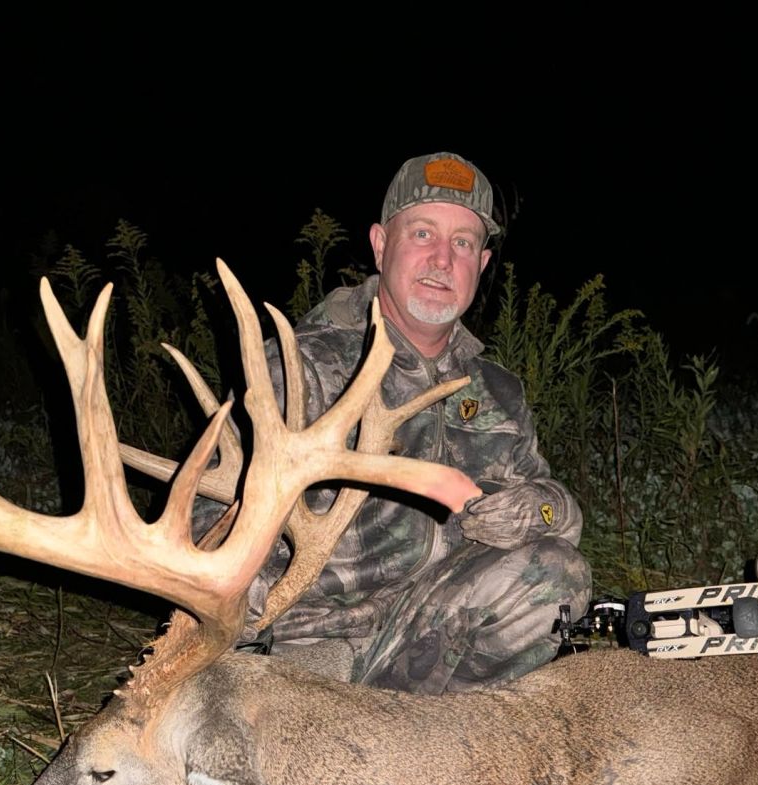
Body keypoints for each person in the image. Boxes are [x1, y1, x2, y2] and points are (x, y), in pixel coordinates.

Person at [246, 151, 590, 695]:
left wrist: (542, 508)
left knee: (554, 573)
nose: (442, 259)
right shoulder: (297, 367)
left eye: (463, 243)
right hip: (311, 648)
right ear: (381, 245)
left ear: (481, 263)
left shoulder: (497, 390)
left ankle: (432, 744)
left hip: (425, 636)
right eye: (423, 234)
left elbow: (553, 507)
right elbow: (211, 529)